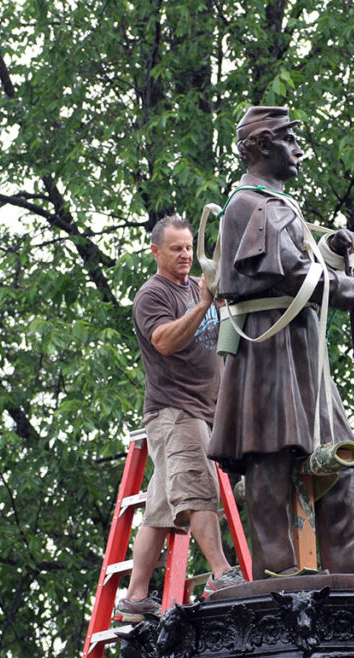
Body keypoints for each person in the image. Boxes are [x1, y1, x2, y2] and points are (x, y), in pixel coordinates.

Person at [207, 106, 354, 579]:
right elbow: (282, 273)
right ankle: (278, 572)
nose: (298, 150)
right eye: (287, 139)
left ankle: (349, 570)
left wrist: (331, 251)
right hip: (267, 347)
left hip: (301, 351)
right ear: (260, 146)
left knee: (341, 459)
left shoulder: (273, 202)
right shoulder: (247, 203)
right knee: (270, 459)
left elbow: (291, 262)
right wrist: (340, 288)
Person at [115, 215, 245, 622]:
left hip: (203, 410)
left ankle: (136, 597)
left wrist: (218, 298)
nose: (186, 255)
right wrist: (205, 304)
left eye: (189, 247)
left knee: (159, 509)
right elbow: (165, 341)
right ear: (156, 252)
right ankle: (220, 574)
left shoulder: (197, 286)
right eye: (176, 248)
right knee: (196, 487)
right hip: (176, 410)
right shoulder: (152, 296)